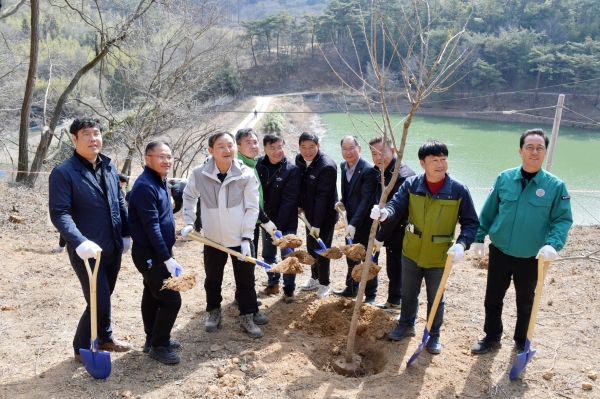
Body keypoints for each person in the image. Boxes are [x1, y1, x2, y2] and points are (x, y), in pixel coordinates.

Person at [370, 140, 479, 354]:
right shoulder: (412, 185)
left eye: (443, 159)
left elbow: (471, 222)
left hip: (439, 255)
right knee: (408, 294)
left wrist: (462, 244)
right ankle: (406, 324)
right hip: (411, 251)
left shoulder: (458, 190)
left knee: (436, 298)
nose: (440, 164)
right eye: (434, 160)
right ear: (422, 164)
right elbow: (397, 205)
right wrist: (385, 213)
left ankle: (433, 334)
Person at [471, 129, 573, 355]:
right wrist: (479, 236)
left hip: (531, 256)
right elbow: (489, 211)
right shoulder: (504, 178)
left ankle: (521, 342)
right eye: (530, 147)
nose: (534, 152)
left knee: (526, 303)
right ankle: (492, 337)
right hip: (500, 251)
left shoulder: (555, 186)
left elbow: (562, 220)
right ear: (520, 151)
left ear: (545, 152)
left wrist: (552, 244)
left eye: (540, 148)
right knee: (493, 298)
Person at [49, 117, 133, 363]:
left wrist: (126, 233)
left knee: (105, 299)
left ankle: (105, 338)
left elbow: (118, 201)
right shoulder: (64, 172)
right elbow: (59, 213)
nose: (93, 138)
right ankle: (81, 348)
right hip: (87, 252)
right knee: (98, 301)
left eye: (96, 133)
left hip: (113, 246)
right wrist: (78, 241)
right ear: (74, 139)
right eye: (86, 134)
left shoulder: (108, 166)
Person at [180, 131, 268, 338]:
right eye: (221, 146)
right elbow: (189, 197)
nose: (227, 150)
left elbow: (252, 208)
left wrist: (247, 236)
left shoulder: (245, 174)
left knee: (246, 279)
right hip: (212, 239)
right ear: (211, 151)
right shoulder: (199, 173)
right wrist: (189, 222)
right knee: (213, 278)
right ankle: (213, 311)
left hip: (240, 239)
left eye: (230, 145)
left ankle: (247, 315)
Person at [128, 141, 184, 364]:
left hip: (157, 252)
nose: (166, 161)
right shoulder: (145, 186)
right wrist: (167, 258)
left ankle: (152, 339)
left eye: (169, 157)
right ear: (147, 158)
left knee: (151, 294)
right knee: (171, 299)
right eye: (161, 156)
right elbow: (151, 226)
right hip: (150, 253)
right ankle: (159, 345)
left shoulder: (159, 181)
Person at [369, 136, 416, 311]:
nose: (378, 157)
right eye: (374, 153)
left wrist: (380, 237)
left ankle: (399, 303)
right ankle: (393, 301)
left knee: (398, 269)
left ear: (393, 151)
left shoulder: (403, 176)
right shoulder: (382, 171)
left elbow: (396, 212)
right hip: (389, 229)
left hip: (400, 231)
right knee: (393, 268)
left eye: (382, 152)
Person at [255, 133, 301, 302]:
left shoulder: (291, 169)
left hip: (285, 220)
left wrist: (277, 227)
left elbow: (289, 201)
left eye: (279, 147)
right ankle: (273, 282)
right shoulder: (259, 165)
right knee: (268, 254)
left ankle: (289, 289)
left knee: (288, 255)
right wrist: (266, 222)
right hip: (266, 220)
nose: (277, 151)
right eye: (272, 148)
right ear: (265, 149)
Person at [333, 136, 379, 303]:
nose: (348, 152)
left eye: (351, 148)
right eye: (345, 148)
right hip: (350, 221)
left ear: (359, 149)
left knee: (369, 259)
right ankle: (351, 288)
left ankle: (371, 295)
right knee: (351, 257)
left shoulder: (369, 170)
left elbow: (366, 201)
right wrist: (343, 202)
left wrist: (353, 224)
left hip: (366, 223)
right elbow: (347, 189)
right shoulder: (343, 166)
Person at [296, 132, 339, 298]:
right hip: (308, 214)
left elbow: (323, 197)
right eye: (303, 147)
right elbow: (299, 185)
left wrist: (317, 224)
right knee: (310, 248)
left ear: (318, 146)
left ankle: (324, 283)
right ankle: (314, 277)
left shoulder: (327, 166)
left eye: (311, 147)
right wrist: (300, 206)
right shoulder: (299, 160)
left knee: (322, 250)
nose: (307, 151)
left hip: (324, 217)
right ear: (299, 147)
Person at [235, 128, 272, 253]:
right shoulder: (240, 168)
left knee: (251, 258)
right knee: (247, 262)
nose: (253, 146)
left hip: (252, 220)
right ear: (239, 147)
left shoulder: (251, 163)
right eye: (248, 143)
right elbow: (250, 199)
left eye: (255, 142)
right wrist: (266, 220)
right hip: (243, 223)